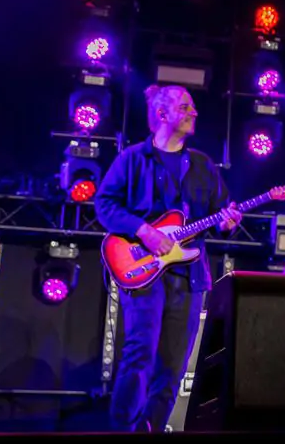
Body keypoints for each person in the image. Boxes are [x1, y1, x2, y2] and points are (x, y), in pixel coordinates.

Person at [95, 85, 243, 433]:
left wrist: (228, 222)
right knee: (140, 354)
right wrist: (144, 231)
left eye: (192, 107)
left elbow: (221, 215)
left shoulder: (203, 165)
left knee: (173, 365)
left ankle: (151, 428)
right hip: (143, 272)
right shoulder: (133, 159)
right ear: (162, 114)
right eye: (185, 107)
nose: (194, 112)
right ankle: (121, 430)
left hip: (189, 277)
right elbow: (104, 204)